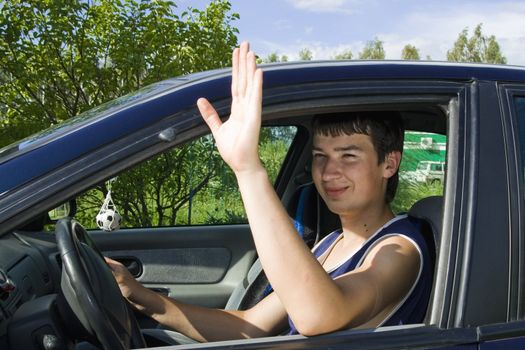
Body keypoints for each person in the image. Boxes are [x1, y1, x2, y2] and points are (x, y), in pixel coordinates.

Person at [105, 42, 433, 344]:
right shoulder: (330, 244)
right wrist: (140, 296)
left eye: (349, 156)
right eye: (321, 156)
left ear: (388, 164)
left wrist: (247, 168)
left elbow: (318, 316)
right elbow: (249, 326)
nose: (329, 172)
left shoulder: (398, 251)